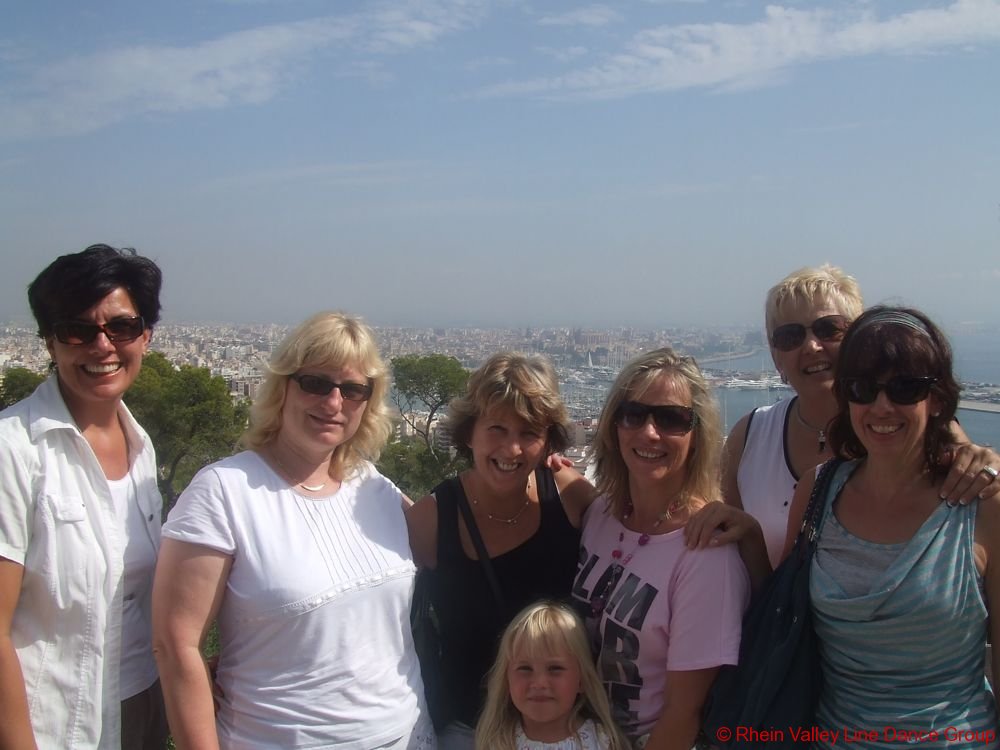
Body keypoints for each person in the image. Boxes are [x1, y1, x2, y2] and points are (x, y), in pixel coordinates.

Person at [152, 312, 434, 749]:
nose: (334, 403)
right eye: (316, 383)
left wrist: (539, 477)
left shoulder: (373, 486)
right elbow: (176, 646)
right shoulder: (224, 491)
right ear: (282, 386)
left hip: (408, 735)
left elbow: (458, 547)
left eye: (353, 389)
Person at [781, 306, 1000, 747]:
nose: (882, 406)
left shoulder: (982, 504)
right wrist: (747, 536)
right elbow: (782, 613)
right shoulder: (817, 491)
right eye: (862, 388)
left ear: (936, 399)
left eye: (904, 387)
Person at [688, 265, 1000, 567]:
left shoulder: (899, 428)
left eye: (828, 329)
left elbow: (971, 468)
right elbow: (729, 557)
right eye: (790, 336)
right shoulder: (750, 436)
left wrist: (986, 466)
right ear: (775, 355)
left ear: (860, 341)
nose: (811, 346)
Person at [0, 244, 167, 749]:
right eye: (77, 329)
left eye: (121, 327)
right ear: (51, 343)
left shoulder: (142, 447)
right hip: (55, 725)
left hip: (143, 705)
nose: (102, 346)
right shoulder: (14, 449)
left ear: (146, 335)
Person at [406, 352, 595, 750]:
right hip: (468, 729)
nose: (511, 449)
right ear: (469, 433)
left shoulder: (568, 494)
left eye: (529, 433)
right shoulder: (432, 520)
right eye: (496, 428)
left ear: (548, 441)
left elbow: (635, 534)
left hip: (561, 731)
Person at [570, 348, 749, 749]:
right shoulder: (601, 514)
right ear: (614, 426)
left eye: (671, 419)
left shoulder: (706, 551)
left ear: (697, 434)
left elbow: (684, 715)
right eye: (633, 414)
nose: (649, 433)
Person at [474, 601, 629, 750]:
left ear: (581, 680)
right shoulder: (498, 742)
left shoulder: (601, 742)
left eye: (555, 668)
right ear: (506, 679)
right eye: (525, 668)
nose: (539, 683)